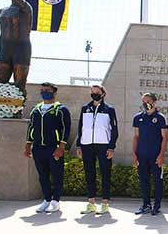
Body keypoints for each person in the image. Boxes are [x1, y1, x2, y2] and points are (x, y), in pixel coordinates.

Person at [24, 83, 71, 213]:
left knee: (56, 175)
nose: (44, 92)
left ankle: (56, 201)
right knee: (42, 175)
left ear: (54, 92)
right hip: (38, 148)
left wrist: (61, 147)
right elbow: (31, 128)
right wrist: (28, 145)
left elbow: (66, 129)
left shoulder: (61, 109)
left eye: (47, 90)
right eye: (42, 90)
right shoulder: (36, 109)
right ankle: (47, 199)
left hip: (53, 148)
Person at [75, 85, 118, 214]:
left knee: (105, 173)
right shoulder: (85, 108)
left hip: (103, 145)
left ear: (103, 94)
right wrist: (78, 145)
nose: (94, 94)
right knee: (89, 174)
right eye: (92, 92)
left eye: (97, 92)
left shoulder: (109, 109)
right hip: (87, 145)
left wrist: (111, 147)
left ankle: (105, 203)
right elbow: (80, 128)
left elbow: (114, 130)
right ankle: (91, 203)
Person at [132, 93, 168, 216]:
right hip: (142, 155)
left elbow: (165, 138)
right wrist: (134, 154)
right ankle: (146, 204)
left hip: (155, 156)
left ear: (154, 102)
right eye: (143, 101)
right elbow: (136, 137)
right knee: (144, 181)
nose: (145, 103)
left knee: (157, 181)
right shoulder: (138, 118)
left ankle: (156, 205)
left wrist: (161, 155)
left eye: (148, 101)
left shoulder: (160, 118)